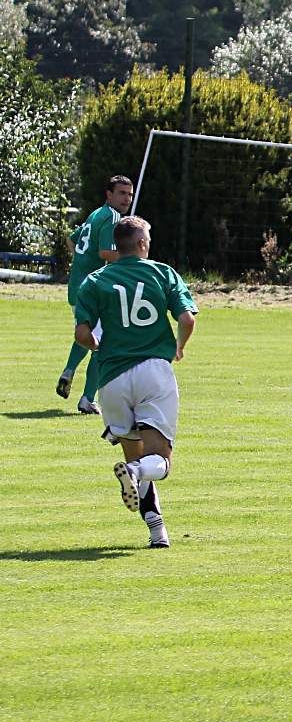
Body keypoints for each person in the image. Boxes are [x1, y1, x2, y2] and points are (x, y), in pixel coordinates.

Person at [71, 216, 197, 548]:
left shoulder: (95, 280)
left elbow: (82, 334)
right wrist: (180, 347)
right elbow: (186, 319)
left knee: (134, 455)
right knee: (158, 462)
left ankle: (158, 532)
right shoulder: (163, 273)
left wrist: (98, 347)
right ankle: (138, 473)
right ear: (142, 244)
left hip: (112, 379)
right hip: (153, 373)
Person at [57, 174, 132, 414]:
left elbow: (71, 240)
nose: (127, 199)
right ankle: (88, 399)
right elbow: (105, 253)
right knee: (103, 343)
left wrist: (82, 263)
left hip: (76, 286)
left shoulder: (96, 214)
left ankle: (69, 370)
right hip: (93, 290)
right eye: (121, 193)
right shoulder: (113, 217)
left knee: (87, 333)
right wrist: (133, 259)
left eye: (129, 194)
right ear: (109, 194)